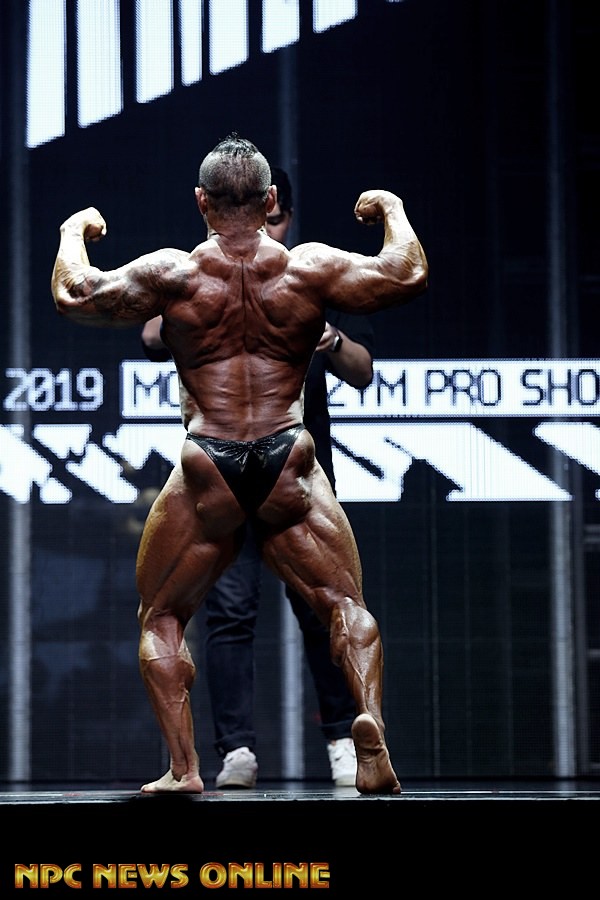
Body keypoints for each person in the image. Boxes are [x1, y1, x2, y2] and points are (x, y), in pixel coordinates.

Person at [51, 133, 428, 795]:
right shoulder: (308, 268)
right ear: (269, 198)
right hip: (287, 456)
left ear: (201, 202)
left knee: (162, 617)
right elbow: (406, 273)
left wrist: (73, 231)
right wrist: (392, 208)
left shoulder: (176, 273)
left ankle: (185, 769)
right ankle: (368, 726)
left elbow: (76, 294)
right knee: (344, 602)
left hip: (211, 462)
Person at [141, 166, 375, 788]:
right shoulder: (196, 273)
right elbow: (149, 335)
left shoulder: (309, 277)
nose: (259, 229)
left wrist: (329, 340)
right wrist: (193, 296)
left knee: (323, 608)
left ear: (283, 215)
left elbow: (362, 369)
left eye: (271, 221)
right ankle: (237, 750)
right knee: (231, 613)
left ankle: (344, 741)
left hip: (290, 469)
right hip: (234, 475)